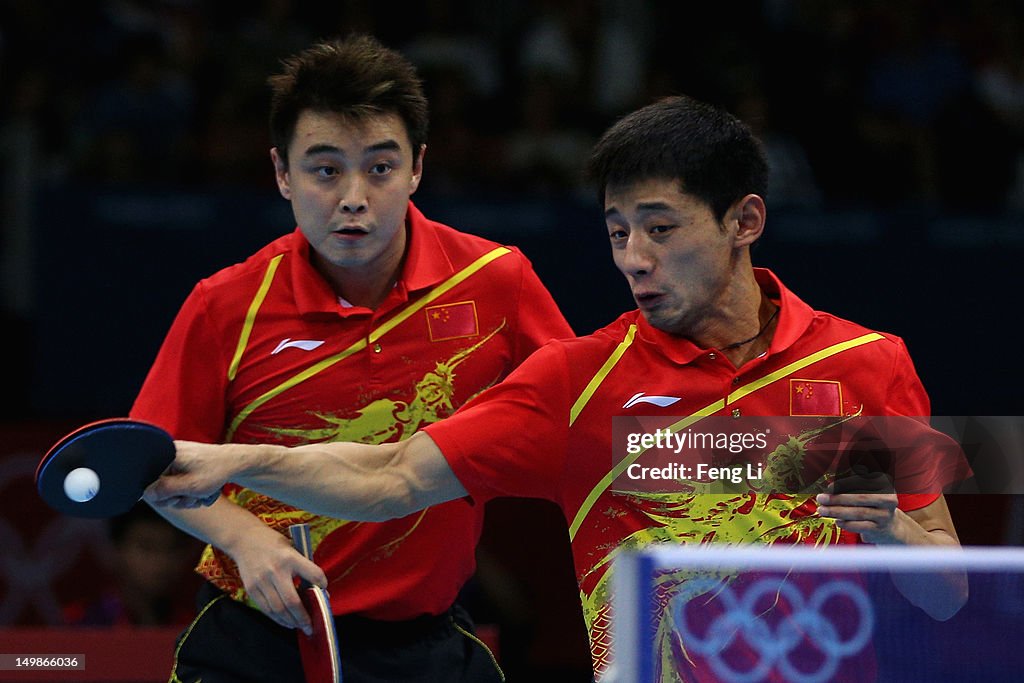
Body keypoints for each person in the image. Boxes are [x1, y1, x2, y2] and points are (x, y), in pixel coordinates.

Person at [146, 95, 968, 681]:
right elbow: (389, 475)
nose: (634, 258)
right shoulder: (579, 385)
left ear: (743, 222)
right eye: (617, 232)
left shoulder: (866, 366)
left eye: (661, 227)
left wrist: (893, 531)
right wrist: (230, 459)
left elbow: (948, 593)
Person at [131, 34, 573, 683]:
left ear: (418, 167)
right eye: (326, 168)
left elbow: (582, 416)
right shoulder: (226, 305)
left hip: (424, 640)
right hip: (257, 639)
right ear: (283, 172)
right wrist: (245, 538)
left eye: (380, 167)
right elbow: (160, 467)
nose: (354, 196)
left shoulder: (495, 283)